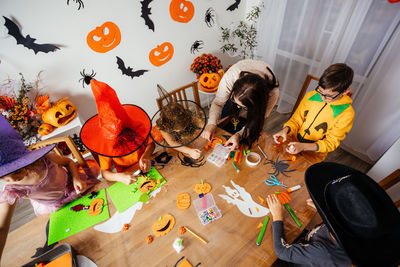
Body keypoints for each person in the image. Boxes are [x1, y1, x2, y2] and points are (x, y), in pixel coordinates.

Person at [0, 115, 99, 258]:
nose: (12, 179)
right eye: (3, 177)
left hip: (75, 188)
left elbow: (68, 162)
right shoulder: (11, 190)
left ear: (25, 161)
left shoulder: (44, 159)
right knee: (78, 235)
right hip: (54, 208)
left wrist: (76, 178)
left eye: (17, 170)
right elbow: (2, 228)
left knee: (99, 210)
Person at [267, 162, 400, 267]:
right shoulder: (352, 231)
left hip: (294, 261)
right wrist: (323, 210)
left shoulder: (324, 254)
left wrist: (278, 216)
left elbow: (281, 251)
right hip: (309, 245)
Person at [80, 77, 155, 186]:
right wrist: (118, 176)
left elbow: (151, 144)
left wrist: (145, 156)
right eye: (116, 134)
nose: (120, 135)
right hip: (125, 175)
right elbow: (105, 173)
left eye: (122, 131)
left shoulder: (136, 125)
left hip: (147, 164)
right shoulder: (105, 144)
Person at [273, 63, 354, 162]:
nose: (322, 97)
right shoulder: (311, 96)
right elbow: (296, 119)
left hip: (313, 156)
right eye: (320, 91)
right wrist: (286, 130)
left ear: (345, 91)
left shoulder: (346, 114)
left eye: (329, 95)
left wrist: (303, 147)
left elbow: (331, 143)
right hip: (290, 143)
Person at [201, 59, 279, 150]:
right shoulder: (230, 78)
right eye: (235, 101)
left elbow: (258, 119)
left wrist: (239, 135)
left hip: (262, 90)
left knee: (251, 133)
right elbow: (218, 103)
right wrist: (211, 123)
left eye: (243, 107)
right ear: (233, 89)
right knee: (224, 119)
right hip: (238, 74)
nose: (238, 107)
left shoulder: (272, 93)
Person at [153, 85, 206, 159]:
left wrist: (206, 129)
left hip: (192, 137)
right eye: (179, 128)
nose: (182, 129)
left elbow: (201, 123)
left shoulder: (186, 115)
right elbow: (172, 143)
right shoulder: (163, 126)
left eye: (184, 125)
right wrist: (189, 151)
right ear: (169, 125)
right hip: (178, 146)